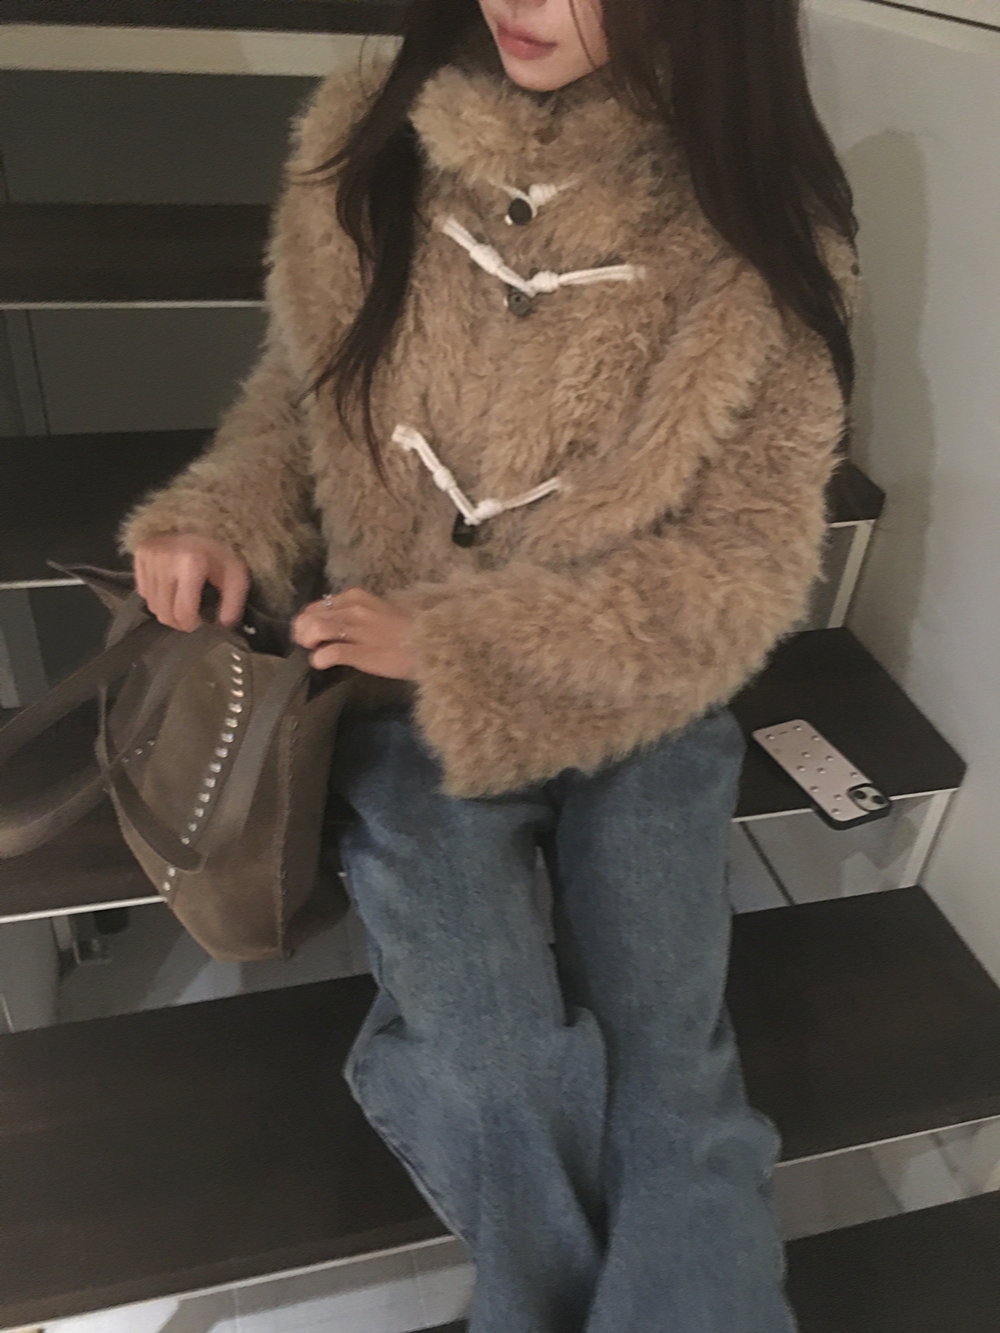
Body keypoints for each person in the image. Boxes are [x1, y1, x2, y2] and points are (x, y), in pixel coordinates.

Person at [122, 0, 858, 1327]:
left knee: (672, 1078)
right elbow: (295, 405)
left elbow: (742, 565)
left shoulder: (760, 223)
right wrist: (220, 516)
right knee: (496, 1069)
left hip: (635, 690)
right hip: (398, 702)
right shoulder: (368, 144)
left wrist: (470, 643)